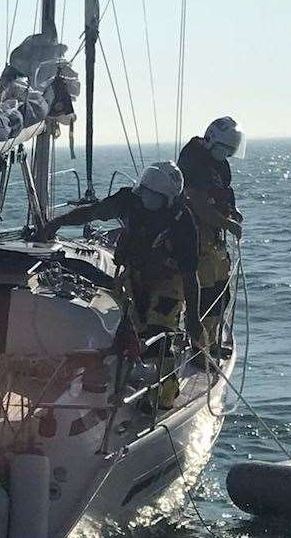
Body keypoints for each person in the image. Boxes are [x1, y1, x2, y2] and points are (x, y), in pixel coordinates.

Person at [38, 161, 201, 409]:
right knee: (127, 330)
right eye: (144, 192)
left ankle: (162, 395)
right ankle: (124, 381)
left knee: (158, 334)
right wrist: (59, 221)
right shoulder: (130, 201)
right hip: (132, 277)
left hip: (167, 283)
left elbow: (190, 275)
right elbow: (95, 212)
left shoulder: (182, 222)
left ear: (168, 199)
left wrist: (194, 317)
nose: (146, 199)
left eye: (153, 196)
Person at [177, 117, 245, 356]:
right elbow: (199, 205)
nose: (227, 155)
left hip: (214, 238)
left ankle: (212, 343)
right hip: (197, 236)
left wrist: (232, 211)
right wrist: (226, 223)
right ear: (212, 141)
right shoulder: (193, 162)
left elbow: (224, 192)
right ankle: (199, 349)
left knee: (220, 294)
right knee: (205, 293)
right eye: (225, 149)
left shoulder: (219, 164)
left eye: (230, 151)